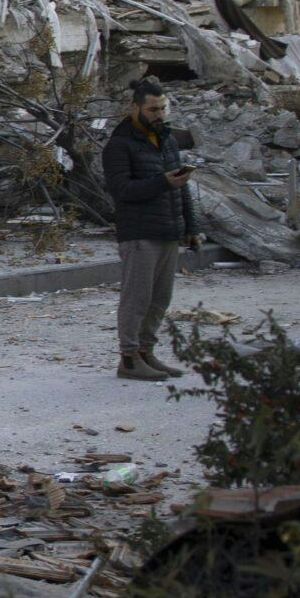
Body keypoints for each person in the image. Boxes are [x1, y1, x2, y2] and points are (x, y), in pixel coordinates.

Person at [101, 77, 198, 381]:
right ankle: (129, 358)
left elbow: (180, 187)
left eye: (163, 108)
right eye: (153, 109)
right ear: (135, 108)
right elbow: (121, 189)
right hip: (139, 232)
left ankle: (146, 351)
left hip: (168, 229)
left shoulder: (167, 140)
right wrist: (162, 183)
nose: (159, 114)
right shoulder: (119, 145)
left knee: (160, 299)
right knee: (137, 299)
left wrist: (190, 226)